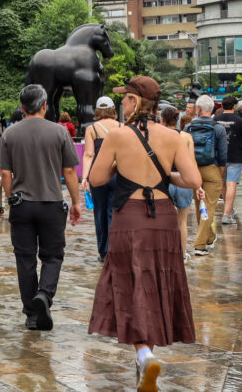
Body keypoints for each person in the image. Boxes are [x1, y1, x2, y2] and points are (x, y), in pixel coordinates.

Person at [87, 76, 202, 391]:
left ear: (135, 102)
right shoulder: (173, 136)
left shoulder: (118, 135)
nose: (122, 103)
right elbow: (192, 180)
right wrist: (165, 174)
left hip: (130, 218)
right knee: (155, 284)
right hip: (163, 219)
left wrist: (118, 167)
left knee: (129, 284)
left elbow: (96, 179)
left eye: (125, 99)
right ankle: (145, 354)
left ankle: (144, 353)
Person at [0, 84, 81, 332]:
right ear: (45, 105)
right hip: (51, 203)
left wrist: (12, 198)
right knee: (53, 256)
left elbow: (5, 173)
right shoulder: (59, 132)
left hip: (22, 205)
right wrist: (76, 202)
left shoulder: (10, 134)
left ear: (22, 107)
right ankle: (44, 295)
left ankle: (32, 315)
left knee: (25, 259)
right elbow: (68, 171)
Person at [186, 95, 227, 256]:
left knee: (198, 206)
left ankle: (209, 237)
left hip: (193, 169)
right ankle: (200, 244)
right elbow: (223, 156)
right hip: (212, 168)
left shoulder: (188, 127)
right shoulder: (218, 128)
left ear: (198, 109)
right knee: (209, 206)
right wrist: (221, 174)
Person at [81, 96, 121, 262]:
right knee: (114, 212)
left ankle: (103, 251)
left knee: (99, 213)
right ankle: (113, 250)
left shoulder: (92, 129)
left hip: (98, 175)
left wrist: (85, 177)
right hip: (118, 174)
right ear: (113, 109)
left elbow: (89, 154)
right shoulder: (121, 127)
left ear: (97, 110)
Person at [160, 106, 201, 263]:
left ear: (162, 120)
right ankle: (182, 254)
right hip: (184, 181)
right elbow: (192, 163)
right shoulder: (186, 137)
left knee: (163, 220)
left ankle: (165, 253)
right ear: (177, 120)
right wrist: (198, 185)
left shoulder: (158, 136)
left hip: (165, 180)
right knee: (182, 221)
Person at [215, 97, 242, 225]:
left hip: (218, 157)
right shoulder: (240, 121)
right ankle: (226, 215)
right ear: (234, 107)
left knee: (223, 184)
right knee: (231, 184)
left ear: (222, 105)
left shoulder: (214, 120)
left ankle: (229, 210)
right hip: (236, 157)